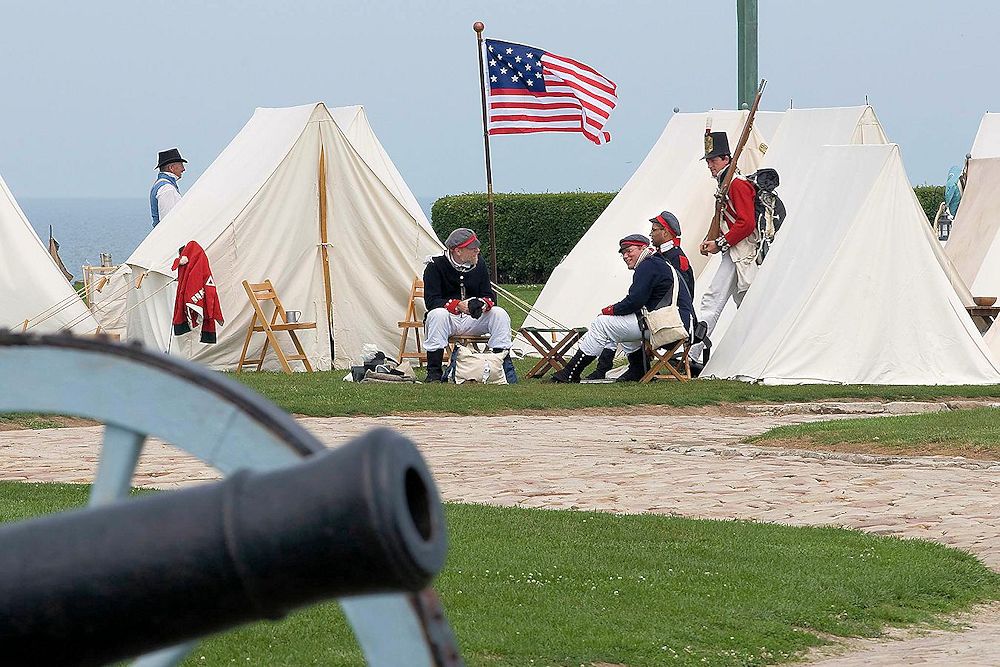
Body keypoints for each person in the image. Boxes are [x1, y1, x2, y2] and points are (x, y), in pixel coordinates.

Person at [553, 234, 694, 383]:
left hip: (671, 325)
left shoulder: (648, 265)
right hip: (675, 322)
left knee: (602, 323)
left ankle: (571, 372)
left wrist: (609, 310)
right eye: (623, 253)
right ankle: (638, 370)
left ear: (643, 248)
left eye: (629, 251)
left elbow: (635, 301)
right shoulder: (655, 262)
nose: (625, 256)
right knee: (621, 326)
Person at [585, 211, 697, 381]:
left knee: (615, 322)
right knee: (620, 320)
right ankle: (619, 367)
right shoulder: (659, 257)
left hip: (673, 320)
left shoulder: (676, 258)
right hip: (658, 316)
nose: (650, 234)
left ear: (665, 232)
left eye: (654, 230)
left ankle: (609, 368)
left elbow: (683, 294)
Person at [693, 131, 757, 359]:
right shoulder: (726, 183)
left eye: (713, 160)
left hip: (741, 251)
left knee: (713, 299)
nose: (710, 165)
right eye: (709, 160)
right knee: (746, 305)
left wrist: (720, 243)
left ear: (726, 159)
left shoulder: (737, 184)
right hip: (734, 250)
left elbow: (746, 223)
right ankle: (752, 352)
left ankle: (692, 354)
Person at [422, 228, 515, 383]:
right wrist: (458, 305)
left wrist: (482, 304)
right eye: (472, 248)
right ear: (458, 250)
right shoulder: (435, 266)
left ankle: (504, 368)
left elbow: (489, 296)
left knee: (499, 314)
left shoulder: (479, 264)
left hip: (473, 320)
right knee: (437, 315)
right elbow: (431, 301)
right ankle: (434, 373)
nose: (477, 251)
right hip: (448, 319)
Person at [150, 148, 187, 227]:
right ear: (172, 168)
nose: (184, 169)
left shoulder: (161, 185)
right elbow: (169, 223)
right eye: (181, 165)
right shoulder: (167, 189)